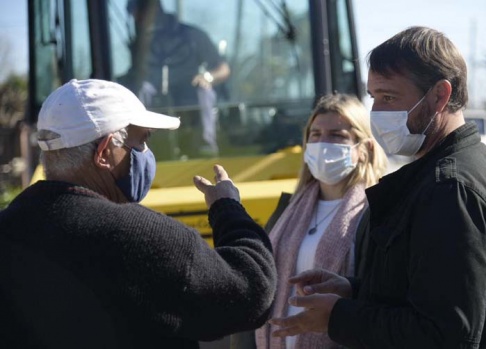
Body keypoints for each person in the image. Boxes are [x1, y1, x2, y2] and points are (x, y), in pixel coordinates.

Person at [268, 26, 486, 348]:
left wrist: (339, 317)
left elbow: (445, 334)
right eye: (373, 97)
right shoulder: (439, 169)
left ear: (439, 95)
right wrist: (354, 290)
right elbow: (424, 289)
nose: (377, 112)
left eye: (389, 97)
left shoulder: (450, 188)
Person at [0, 79, 276, 349]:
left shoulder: (9, 229)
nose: (146, 154)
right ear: (105, 152)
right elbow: (252, 293)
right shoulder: (140, 238)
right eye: (142, 142)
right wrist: (227, 208)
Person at [230, 94, 387, 349]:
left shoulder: (377, 214)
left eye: (337, 135)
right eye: (315, 134)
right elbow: (259, 288)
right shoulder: (288, 210)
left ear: (364, 149)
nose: (323, 143)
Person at [126, 0, 230, 155]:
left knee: (204, 90)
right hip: (155, 94)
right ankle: (139, 149)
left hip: (190, 93)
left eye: (140, 14)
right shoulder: (140, 43)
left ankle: (206, 147)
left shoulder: (193, 35)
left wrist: (207, 77)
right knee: (140, 90)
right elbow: (136, 75)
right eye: (135, 17)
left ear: (155, 10)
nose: (138, 21)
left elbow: (223, 69)